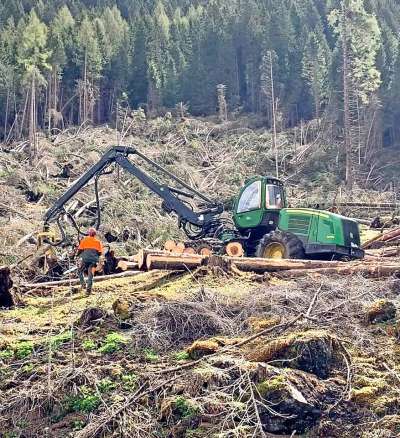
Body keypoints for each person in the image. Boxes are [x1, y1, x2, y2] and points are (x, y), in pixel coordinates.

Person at [77, 228, 103, 295]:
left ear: (88, 233)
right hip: (94, 261)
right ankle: (88, 291)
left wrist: (77, 255)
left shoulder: (84, 240)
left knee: (80, 271)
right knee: (90, 275)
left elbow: (80, 250)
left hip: (85, 260)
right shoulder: (98, 242)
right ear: (95, 234)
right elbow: (100, 253)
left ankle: (83, 285)